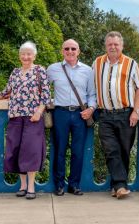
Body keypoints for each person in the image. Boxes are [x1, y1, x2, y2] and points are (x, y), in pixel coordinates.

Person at [0, 41, 50, 200]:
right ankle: (22, 186)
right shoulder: (15, 72)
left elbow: (46, 95)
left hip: (33, 117)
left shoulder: (39, 71)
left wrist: (39, 111)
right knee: (16, 150)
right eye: (23, 54)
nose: (26, 57)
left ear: (34, 55)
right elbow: (8, 90)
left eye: (29, 54)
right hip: (15, 116)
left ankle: (31, 187)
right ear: (19, 56)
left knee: (31, 150)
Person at [92, 31, 139, 199]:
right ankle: (121, 185)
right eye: (110, 44)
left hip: (126, 114)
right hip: (105, 115)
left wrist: (136, 111)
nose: (113, 47)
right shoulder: (97, 63)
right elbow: (91, 87)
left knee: (124, 151)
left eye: (116, 44)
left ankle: (117, 186)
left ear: (122, 46)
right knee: (110, 150)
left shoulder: (131, 63)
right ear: (105, 46)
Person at [47, 39, 96, 196]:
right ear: (62, 51)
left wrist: (91, 108)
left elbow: (92, 94)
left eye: (73, 48)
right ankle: (59, 185)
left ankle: (74, 185)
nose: (70, 51)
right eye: (67, 48)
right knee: (59, 150)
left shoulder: (88, 71)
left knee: (78, 151)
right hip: (60, 113)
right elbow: (43, 89)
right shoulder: (53, 69)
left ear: (78, 51)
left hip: (80, 114)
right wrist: (45, 103)